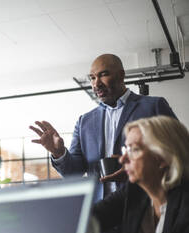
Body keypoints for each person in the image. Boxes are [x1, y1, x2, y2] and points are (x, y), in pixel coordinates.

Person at [29, 54, 177, 199]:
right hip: (102, 210)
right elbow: (73, 173)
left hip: (145, 202)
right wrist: (59, 153)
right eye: (92, 78)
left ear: (121, 75)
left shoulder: (153, 106)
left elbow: (178, 152)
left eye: (103, 75)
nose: (96, 83)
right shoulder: (84, 122)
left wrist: (140, 169)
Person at [93, 115, 189, 233]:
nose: (122, 159)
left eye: (134, 150)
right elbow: (91, 218)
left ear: (162, 157)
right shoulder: (135, 191)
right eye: (126, 149)